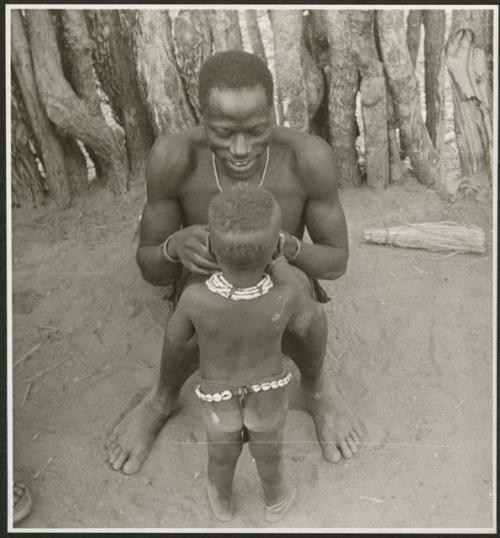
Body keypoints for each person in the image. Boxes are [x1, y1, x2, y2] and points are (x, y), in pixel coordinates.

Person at [105, 50, 363, 475]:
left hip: (283, 280)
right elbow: (150, 268)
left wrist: (289, 249)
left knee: (298, 293)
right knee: (194, 298)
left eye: (256, 131)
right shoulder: (174, 158)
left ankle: (317, 389)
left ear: (272, 113)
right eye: (224, 133)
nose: (241, 149)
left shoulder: (306, 158)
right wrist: (174, 246)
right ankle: (161, 399)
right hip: (206, 283)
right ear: (202, 119)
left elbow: (336, 263)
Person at [164, 186, 319, 521]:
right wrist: (275, 259)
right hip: (268, 391)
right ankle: (275, 500)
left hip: (218, 395)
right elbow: (307, 315)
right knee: (269, 454)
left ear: (211, 249)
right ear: (274, 248)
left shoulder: (195, 300)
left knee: (220, 456)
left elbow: (176, 339)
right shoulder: (285, 296)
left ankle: (221, 500)